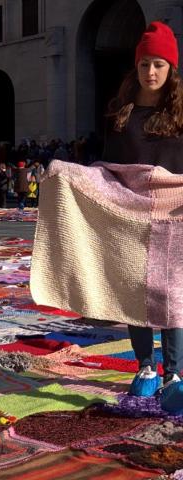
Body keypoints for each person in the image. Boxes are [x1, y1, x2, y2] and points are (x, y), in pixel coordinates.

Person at [103, 21, 183, 410]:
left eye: (159, 64)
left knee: (171, 296)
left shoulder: (181, 117)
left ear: (171, 70)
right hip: (131, 216)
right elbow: (109, 169)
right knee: (135, 294)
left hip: (174, 220)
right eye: (144, 64)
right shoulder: (122, 115)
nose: (150, 72)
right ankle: (145, 367)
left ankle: (175, 375)